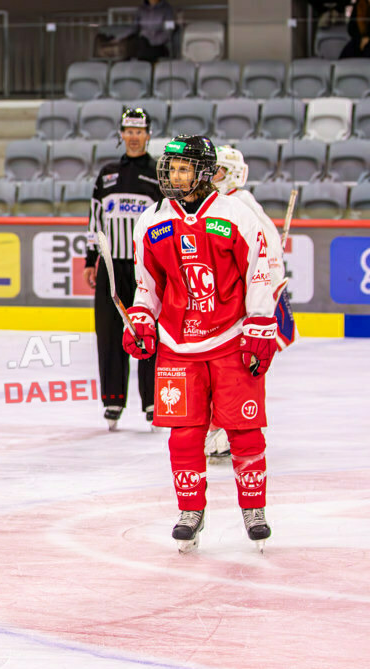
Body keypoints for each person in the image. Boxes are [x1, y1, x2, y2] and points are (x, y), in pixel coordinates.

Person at [124, 135, 277, 553]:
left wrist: (261, 324)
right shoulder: (152, 222)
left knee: (245, 431)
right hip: (177, 344)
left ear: (205, 173)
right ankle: (191, 510)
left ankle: (253, 509)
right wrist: (142, 319)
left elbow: (258, 274)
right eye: (171, 169)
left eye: (184, 169)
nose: (175, 176)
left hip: (230, 339)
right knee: (184, 435)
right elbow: (147, 285)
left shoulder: (236, 216)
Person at [204, 145, 294, 462]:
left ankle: (232, 431)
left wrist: (259, 305)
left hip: (240, 309)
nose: (212, 178)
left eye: (218, 172)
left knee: (238, 373)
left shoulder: (242, 204)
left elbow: (270, 260)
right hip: (222, 306)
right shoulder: (217, 205)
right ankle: (222, 430)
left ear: (233, 175)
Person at [83, 108, 161, 430]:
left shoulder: (158, 173)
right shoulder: (107, 173)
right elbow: (95, 218)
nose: (133, 136)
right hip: (111, 267)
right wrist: (91, 260)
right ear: (121, 134)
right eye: (128, 131)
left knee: (147, 330)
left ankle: (153, 401)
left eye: (138, 131)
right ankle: (113, 400)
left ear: (148, 135)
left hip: (145, 266)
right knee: (110, 333)